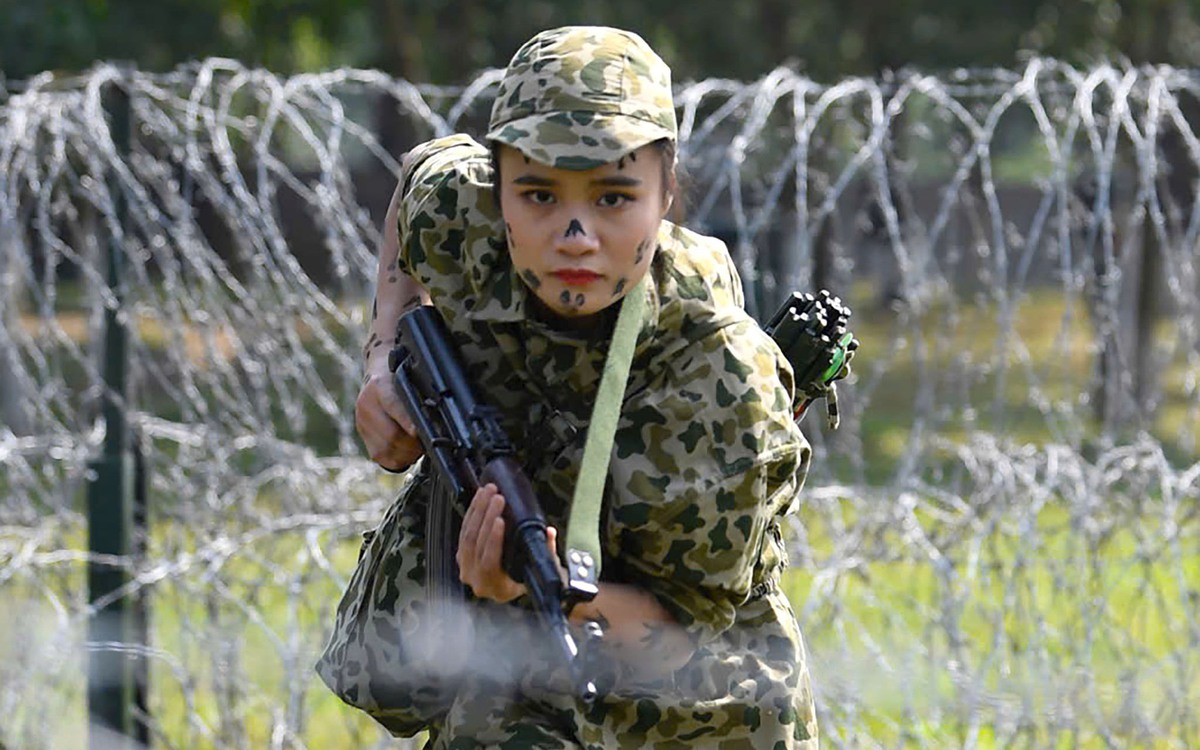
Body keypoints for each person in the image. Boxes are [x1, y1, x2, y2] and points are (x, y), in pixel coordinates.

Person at [319, 25, 819, 748]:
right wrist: (383, 359)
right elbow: (419, 181)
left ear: (665, 193)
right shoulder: (472, 224)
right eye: (540, 194)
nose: (575, 233)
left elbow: (679, 636)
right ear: (497, 189)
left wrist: (529, 587)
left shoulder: (720, 376)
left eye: (614, 196)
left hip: (699, 713)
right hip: (512, 695)